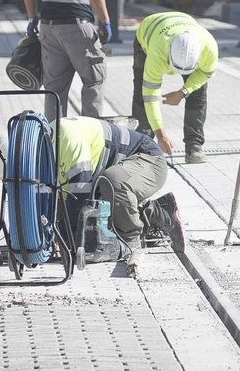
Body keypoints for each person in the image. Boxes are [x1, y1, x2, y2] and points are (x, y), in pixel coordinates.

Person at [55, 116, 181, 274]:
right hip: (119, 172)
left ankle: (130, 239)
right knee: (98, 214)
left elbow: (79, 195)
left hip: (150, 161)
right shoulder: (46, 148)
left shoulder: (68, 140)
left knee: (112, 180)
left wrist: (67, 240)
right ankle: (155, 213)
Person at [131, 11, 218, 164]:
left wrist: (183, 92)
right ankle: (144, 147)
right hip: (148, 31)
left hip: (184, 22)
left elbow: (204, 74)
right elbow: (150, 96)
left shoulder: (209, 49)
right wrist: (161, 134)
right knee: (141, 93)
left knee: (198, 94)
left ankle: (194, 146)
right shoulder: (157, 53)